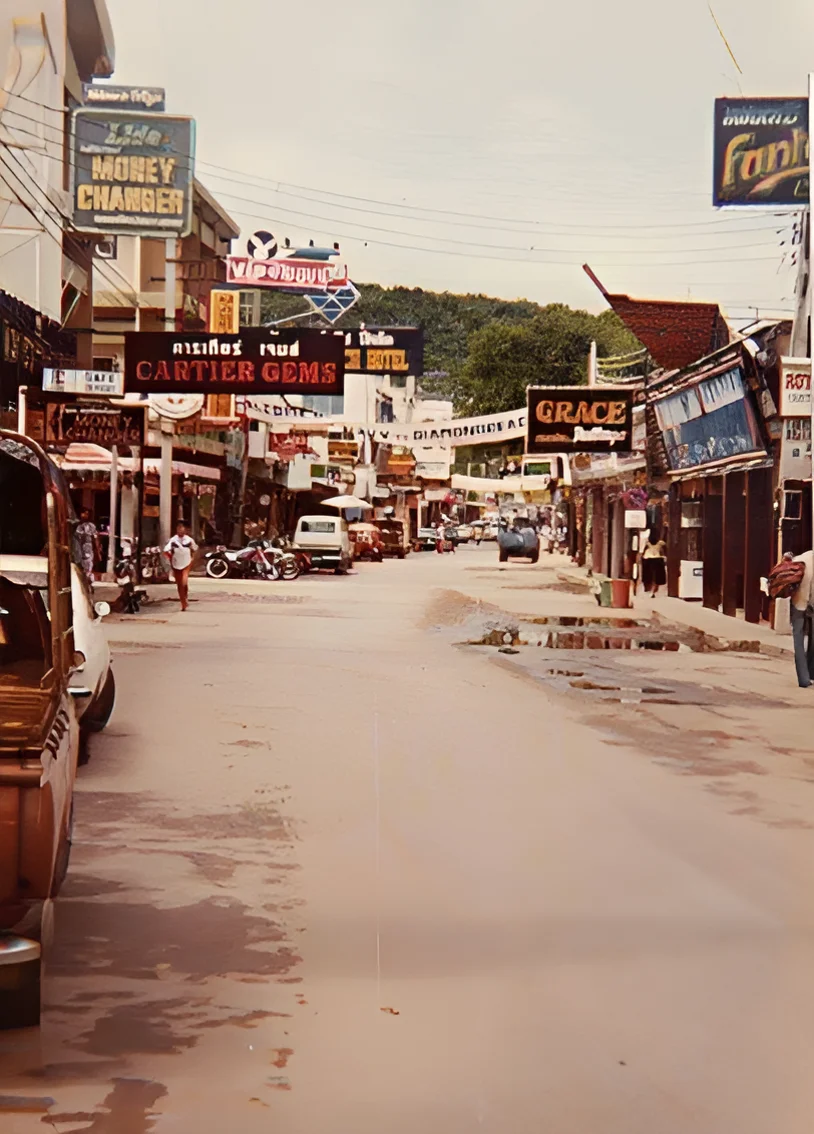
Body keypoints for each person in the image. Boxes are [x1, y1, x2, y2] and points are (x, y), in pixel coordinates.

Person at [791, 550, 814, 688]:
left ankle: (804, 678)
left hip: (798, 603)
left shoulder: (801, 559)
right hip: (808, 604)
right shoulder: (804, 561)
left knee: (798, 640)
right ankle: (808, 674)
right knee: (811, 639)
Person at [164, 522, 198, 611]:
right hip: (176, 563)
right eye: (179, 529)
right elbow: (166, 551)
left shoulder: (189, 540)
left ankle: (185, 596)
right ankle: (183, 602)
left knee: (184, 582)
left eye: (182, 529)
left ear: (185, 530)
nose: (180, 530)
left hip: (186, 562)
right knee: (179, 584)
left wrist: (192, 559)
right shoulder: (173, 540)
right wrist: (171, 559)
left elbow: (194, 549)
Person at [75, 508, 101, 582]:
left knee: (88, 563)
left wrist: (98, 548)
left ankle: (87, 578)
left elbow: (95, 537)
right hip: (79, 547)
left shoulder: (91, 526)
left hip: (87, 547)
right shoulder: (78, 525)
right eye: (84, 513)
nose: (86, 515)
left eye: (87, 514)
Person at [641, 529, 667, 597]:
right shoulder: (660, 543)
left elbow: (643, 551)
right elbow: (663, 550)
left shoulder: (647, 543)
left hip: (648, 559)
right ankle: (653, 591)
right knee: (657, 578)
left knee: (648, 576)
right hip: (657, 560)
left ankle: (648, 589)